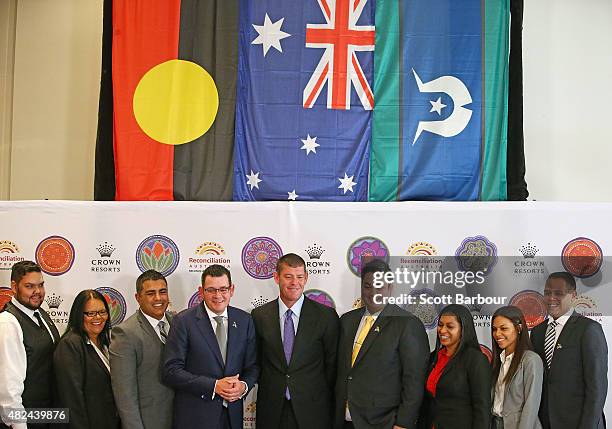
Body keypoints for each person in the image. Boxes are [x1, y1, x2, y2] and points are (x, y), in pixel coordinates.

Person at [334, 259, 430, 429]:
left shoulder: (408, 324)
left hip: (384, 422)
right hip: (344, 421)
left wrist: (404, 422)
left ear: (390, 288)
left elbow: (413, 381)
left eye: (379, 286)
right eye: (367, 286)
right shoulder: (346, 321)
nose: (373, 292)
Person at [162, 264, 258, 429]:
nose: (218, 295)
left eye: (223, 289)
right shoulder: (184, 322)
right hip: (195, 418)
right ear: (201, 291)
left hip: (232, 418)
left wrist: (243, 386)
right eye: (211, 290)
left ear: (232, 290)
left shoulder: (244, 321)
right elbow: (171, 371)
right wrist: (213, 386)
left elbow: (253, 367)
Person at [251, 253, 339, 429]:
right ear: (276, 277)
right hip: (272, 409)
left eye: (299, 277)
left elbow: (332, 366)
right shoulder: (259, 316)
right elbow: (257, 362)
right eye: (288, 277)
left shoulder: (326, 316)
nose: (294, 283)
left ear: (306, 278)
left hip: (313, 410)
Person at [531, 272, 607, 429]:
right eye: (547, 293)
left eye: (558, 293)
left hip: (579, 422)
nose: (551, 298)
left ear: (573, 296)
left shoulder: (588, 329)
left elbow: (597, 388)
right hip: (545, 422)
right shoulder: (537, 332)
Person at [110, 270, 174, 429]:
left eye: (162, 292)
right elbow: (124, 395)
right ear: (138, 298)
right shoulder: (125, 333)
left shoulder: (178, 323)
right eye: (151, 293)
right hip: (149, 423)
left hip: (181, 419)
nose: (158, 298)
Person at [0, 260, 60, 429]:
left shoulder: (40, 313)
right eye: (29, 286)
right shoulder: (8, 323)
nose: (38, 292)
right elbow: (8, 388)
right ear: (14, 286)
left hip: (47, 416)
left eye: (41, 285)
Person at [53, 289, 120, 429]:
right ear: (79, 315)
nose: (98, 318)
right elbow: (71, 400)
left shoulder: (105, 343)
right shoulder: (70, 345)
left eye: (102, 312)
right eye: (90, 313)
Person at [420, 303, 491, 429]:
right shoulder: (433, 357)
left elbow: (482, 408)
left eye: (450, 326)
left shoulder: (476, 360)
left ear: (464, 329)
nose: (442, 330)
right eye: (440, 325)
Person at [490, 306, 543, 429]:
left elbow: (531, 405)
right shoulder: (498, 360)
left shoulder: (530, 360)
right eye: (494, 329)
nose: (497, 334)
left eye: (504, 328)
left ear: (519, 328)